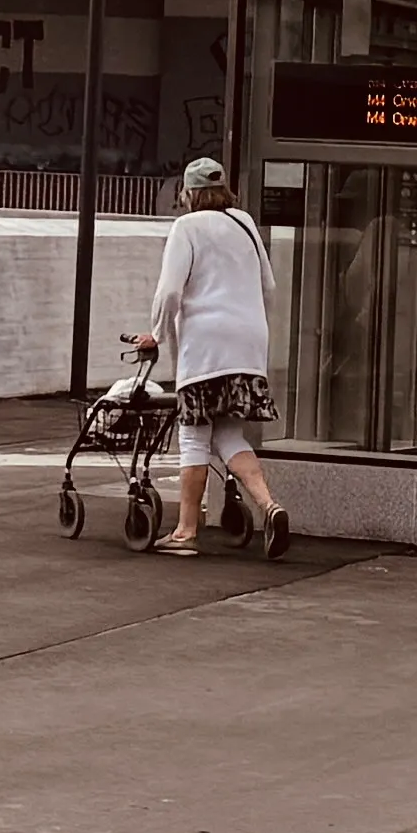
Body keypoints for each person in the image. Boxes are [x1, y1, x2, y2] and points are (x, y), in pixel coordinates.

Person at [129, 155, 287, 558]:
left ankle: (185, 532)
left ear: (189, 192)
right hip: (248, 344)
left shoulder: (187, 227)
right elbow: (268, 285)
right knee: (228, 432)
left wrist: (157, 335)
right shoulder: (246, 223)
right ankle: (270, 506)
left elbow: (169, 292)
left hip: (206, 345)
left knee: (193, 435)